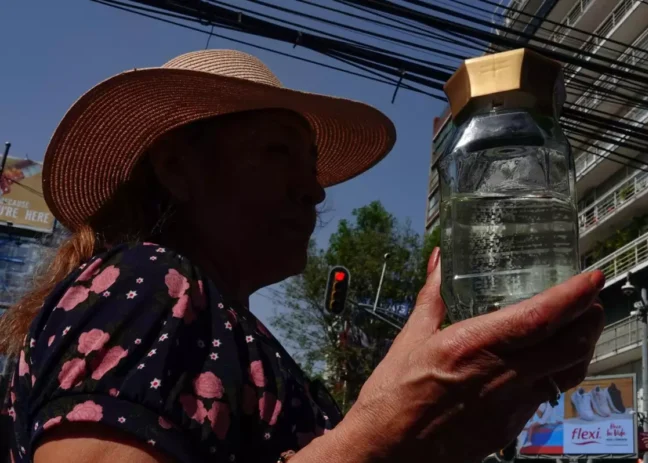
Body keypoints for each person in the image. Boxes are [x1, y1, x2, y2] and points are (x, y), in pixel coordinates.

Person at [0, 49, 605, 463]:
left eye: (312, 165)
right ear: (178, 168)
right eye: (277, 152)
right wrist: (383, 440)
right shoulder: (145, 285)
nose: (314, 189)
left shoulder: (226, 329)